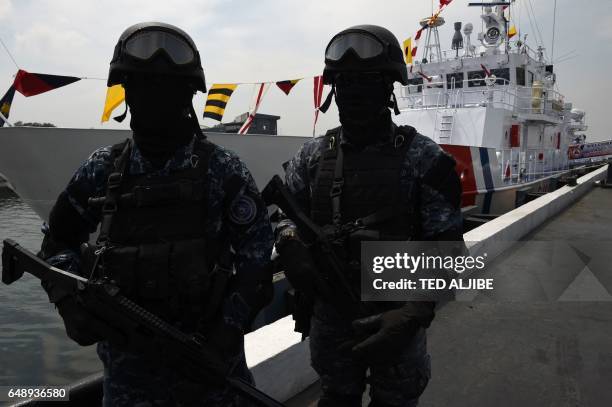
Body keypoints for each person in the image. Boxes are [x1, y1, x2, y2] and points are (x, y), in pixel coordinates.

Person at [38, 22, 274, 406]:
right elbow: (56, 243)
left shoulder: (223, 171)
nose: (154, 98)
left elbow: (257, 264)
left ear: (188, 95)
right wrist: (69, 302)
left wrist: (224, 334)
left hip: (211, 374)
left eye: (167, 88)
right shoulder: (102, 170)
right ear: (126, 92)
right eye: (142, 85)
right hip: (129, 380)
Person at [275, 25, 463, 407]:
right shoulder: (314, 156)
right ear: (332, 89)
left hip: (396, 315)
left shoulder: (424, 158)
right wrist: (289, 239)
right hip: (330, 312)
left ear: (388, 87)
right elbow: (283, 212)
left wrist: (413, 311)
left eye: (366, 81)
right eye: (343, 82)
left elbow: (447, 250)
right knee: (335, 397)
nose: (352, 92)